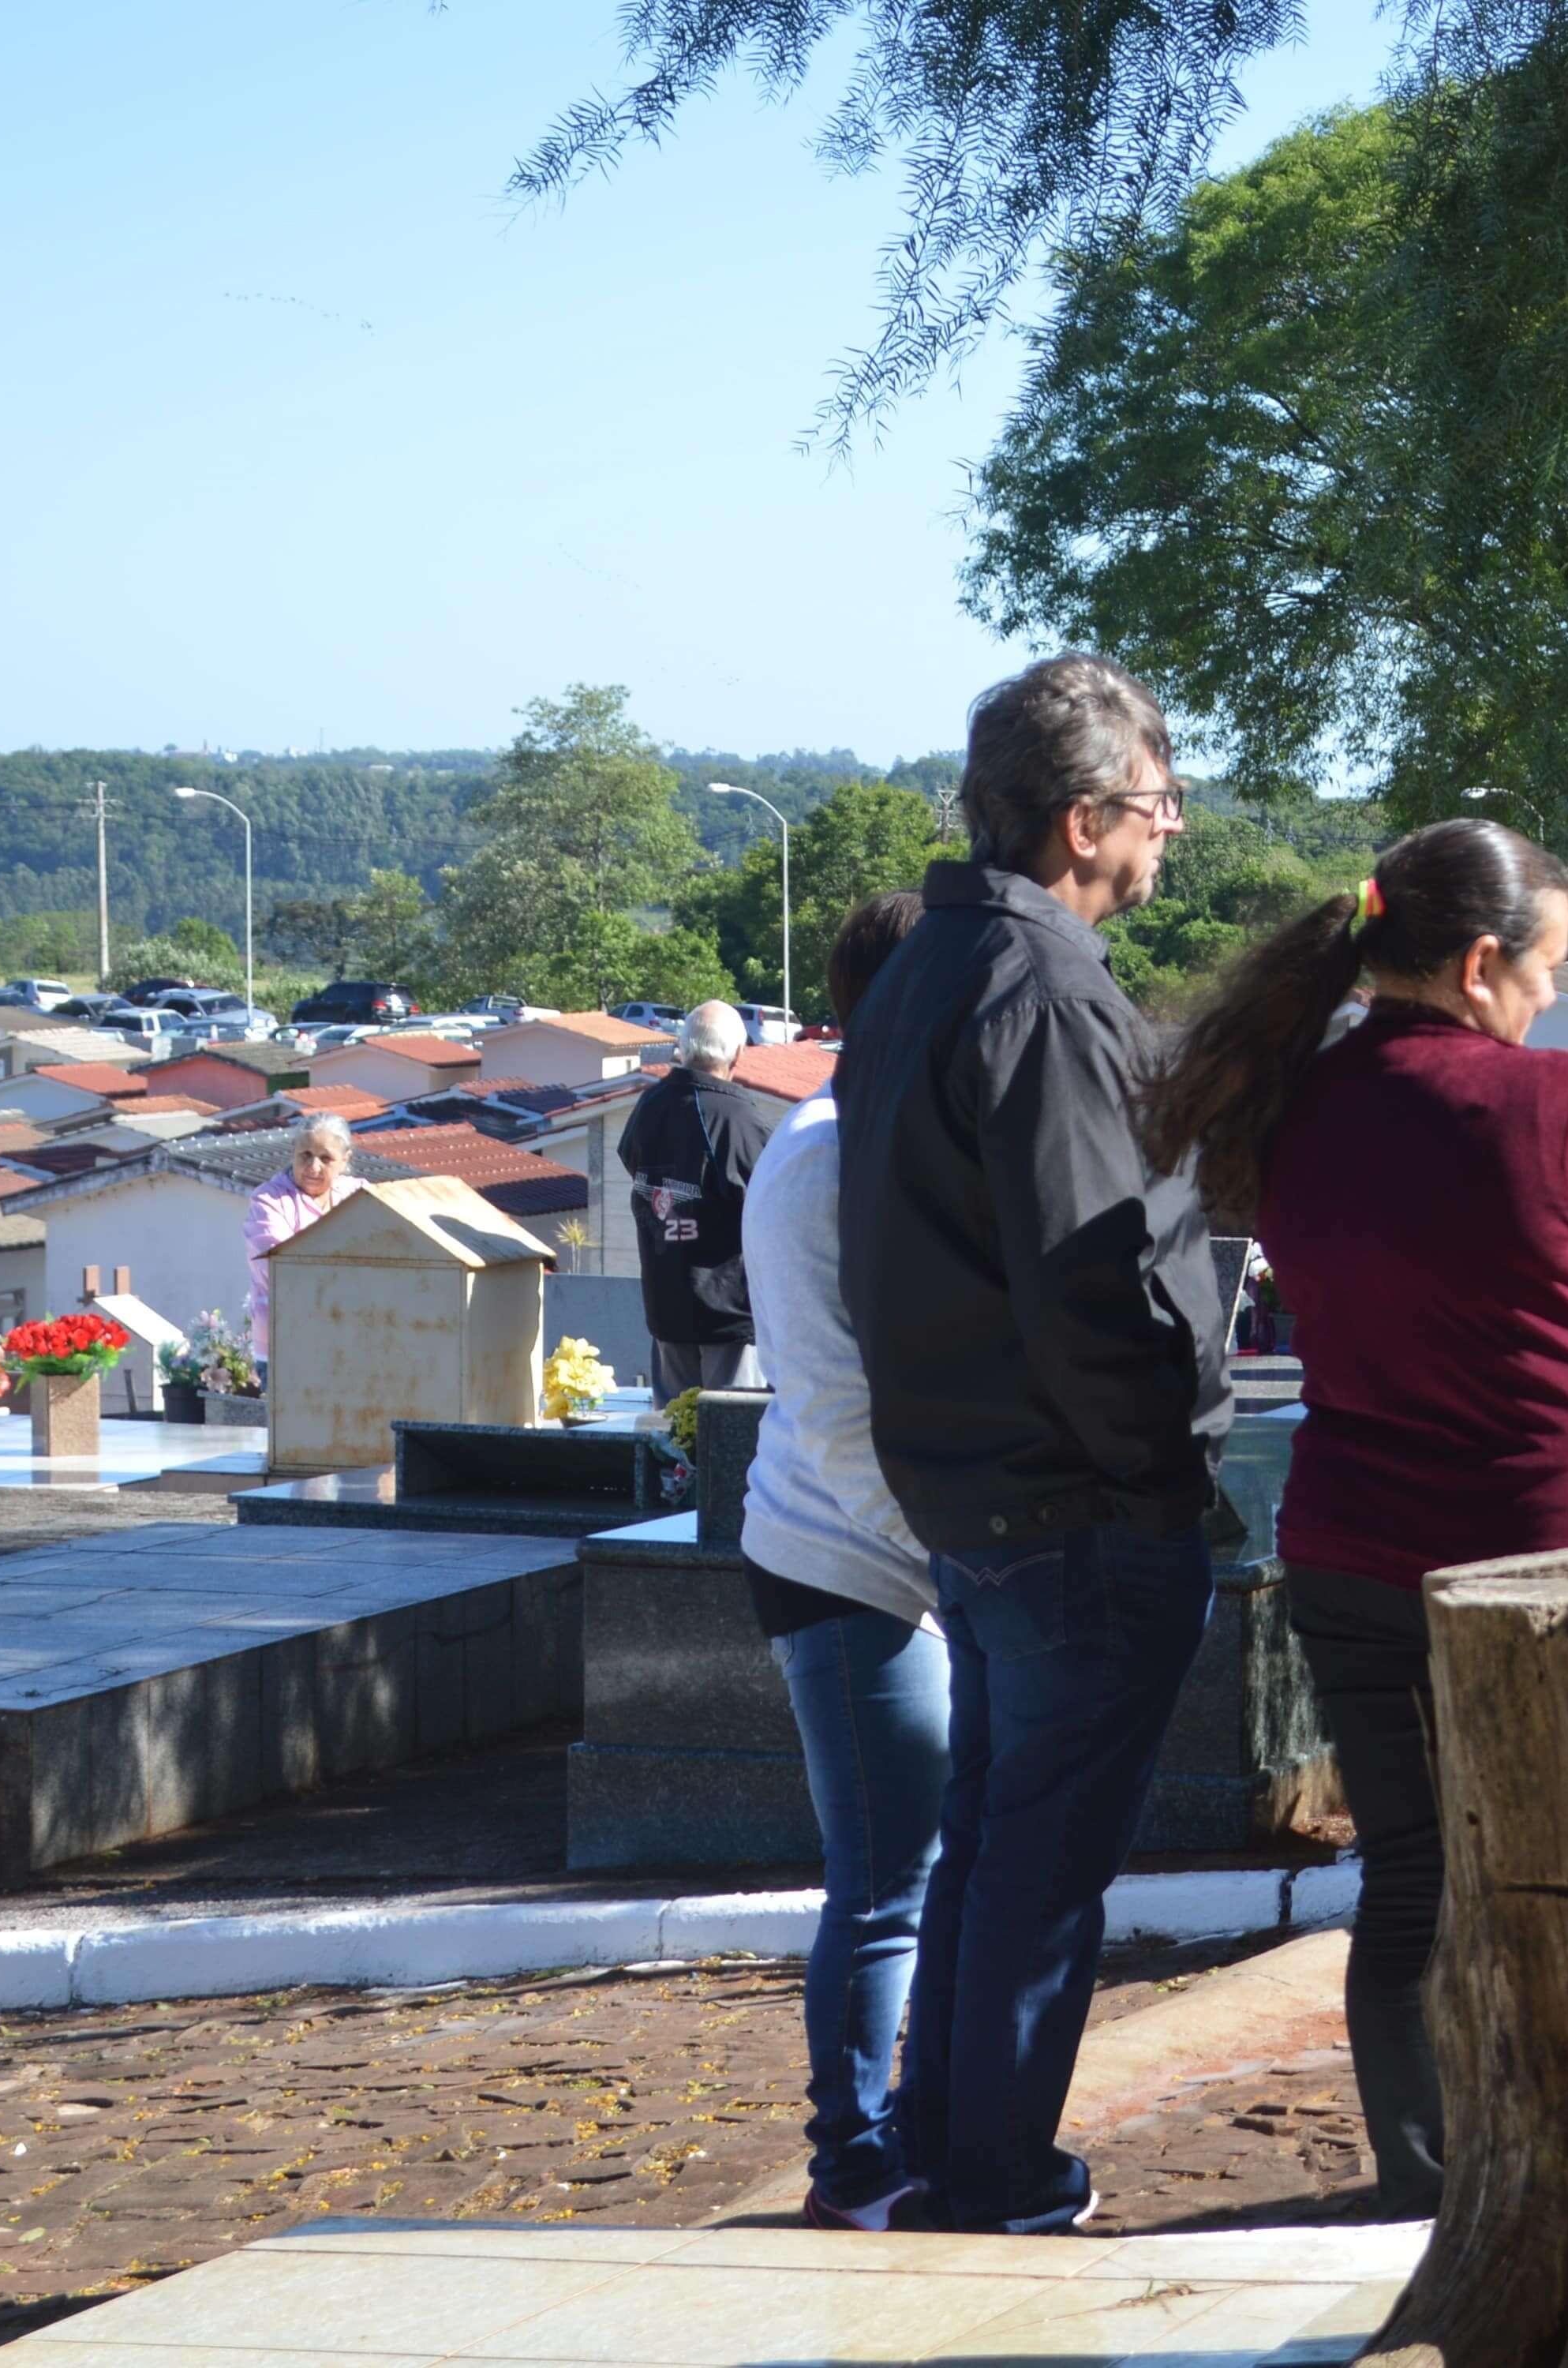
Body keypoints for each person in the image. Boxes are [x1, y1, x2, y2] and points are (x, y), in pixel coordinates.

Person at [1138, 817, 1568, 2224]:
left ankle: (1431, 2189)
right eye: (1547, 969)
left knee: (1413, 1880)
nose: (1549, 997)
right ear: (1480, 964)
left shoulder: (1295, 1102)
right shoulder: (1560, 1105)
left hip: (1362, 1552)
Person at [837, 653, 1229, 2238]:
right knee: (1037, 1869)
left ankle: (952, 2150)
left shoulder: (927, 966)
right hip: (1072, 1507)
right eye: (1157, 805)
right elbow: (1092, 1282)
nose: (1171, 831)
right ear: (1081, 822)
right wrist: (1159, 1473)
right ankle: (992, 2175)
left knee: (994, 1852)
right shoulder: (1043, 989)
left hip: (975, 1492)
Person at [739, 891, 946, 2234]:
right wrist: (950, 1563)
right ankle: (853, 2163)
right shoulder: (819, 1157)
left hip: (905, 1556)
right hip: (848, 1559)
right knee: (882, 1885)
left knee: (919, 1873)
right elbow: (833, 1404)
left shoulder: (889, 1135)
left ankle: (911, 2134)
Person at [621, 1000, 771, 1404]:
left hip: (667, 1304)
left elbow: (632, 1164)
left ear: (683, 1048)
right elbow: (771, 1203)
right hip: (728, 1316)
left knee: (673, 1432)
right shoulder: (738, 1119)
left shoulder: (649, 1107)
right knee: (732, 1432)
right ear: (738, 1053)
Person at [243, 1115, 360, 1362]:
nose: (313, 1167)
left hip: (348, 1338)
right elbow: (280, 1266)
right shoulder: (269, 1200)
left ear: (345, 1160)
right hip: (285, 1341)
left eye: (326, 1158)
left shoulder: (357, 1194)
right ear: (293, 1152)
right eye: (305, 1155)